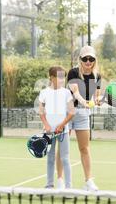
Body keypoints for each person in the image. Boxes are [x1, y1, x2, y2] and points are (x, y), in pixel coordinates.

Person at [56, 45, 101, 191]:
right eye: (85, 58)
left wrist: (98, 100)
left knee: (84, 148)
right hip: (67, 113)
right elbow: (75, 93)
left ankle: (88, 181)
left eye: (91, 59)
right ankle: (60, 180)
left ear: (95, 60)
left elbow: (97, 96)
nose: (88, 61)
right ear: (80, 59)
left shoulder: (97, 76)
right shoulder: (73, 72)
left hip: (83, 115)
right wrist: (85, 102)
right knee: (63, 148)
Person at [38, 66, 75, 189]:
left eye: (63, 77)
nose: (62, 80)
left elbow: (71, 112)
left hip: (63, 132)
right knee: (50, 159)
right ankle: (49, 185)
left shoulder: (66, 93)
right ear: (52, 78)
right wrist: (47, 125)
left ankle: (69, 188)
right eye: (59, 77)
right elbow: (41, 112)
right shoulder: (44, 93)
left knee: (65, 159)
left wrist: (62, 125)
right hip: (49, 132)